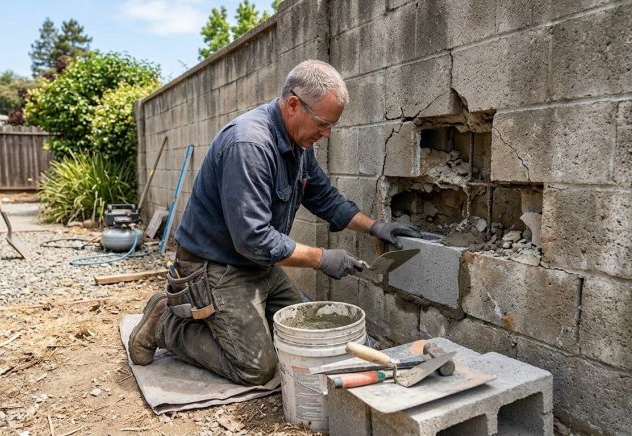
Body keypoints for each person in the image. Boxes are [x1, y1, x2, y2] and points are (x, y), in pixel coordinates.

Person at [128, 59, 421, 386]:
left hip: (256, 265)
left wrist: (377, 227)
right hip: (216, 267)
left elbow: (324, 197)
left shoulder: (298, 144)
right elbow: (253, 239)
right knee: (257, 367)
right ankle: (167, 323)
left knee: (305, 332)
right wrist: (322, 259)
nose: (326, 134)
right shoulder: (249, 145)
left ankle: (226, 325)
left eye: (331, 126)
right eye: (323, 124)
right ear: (294, 104)